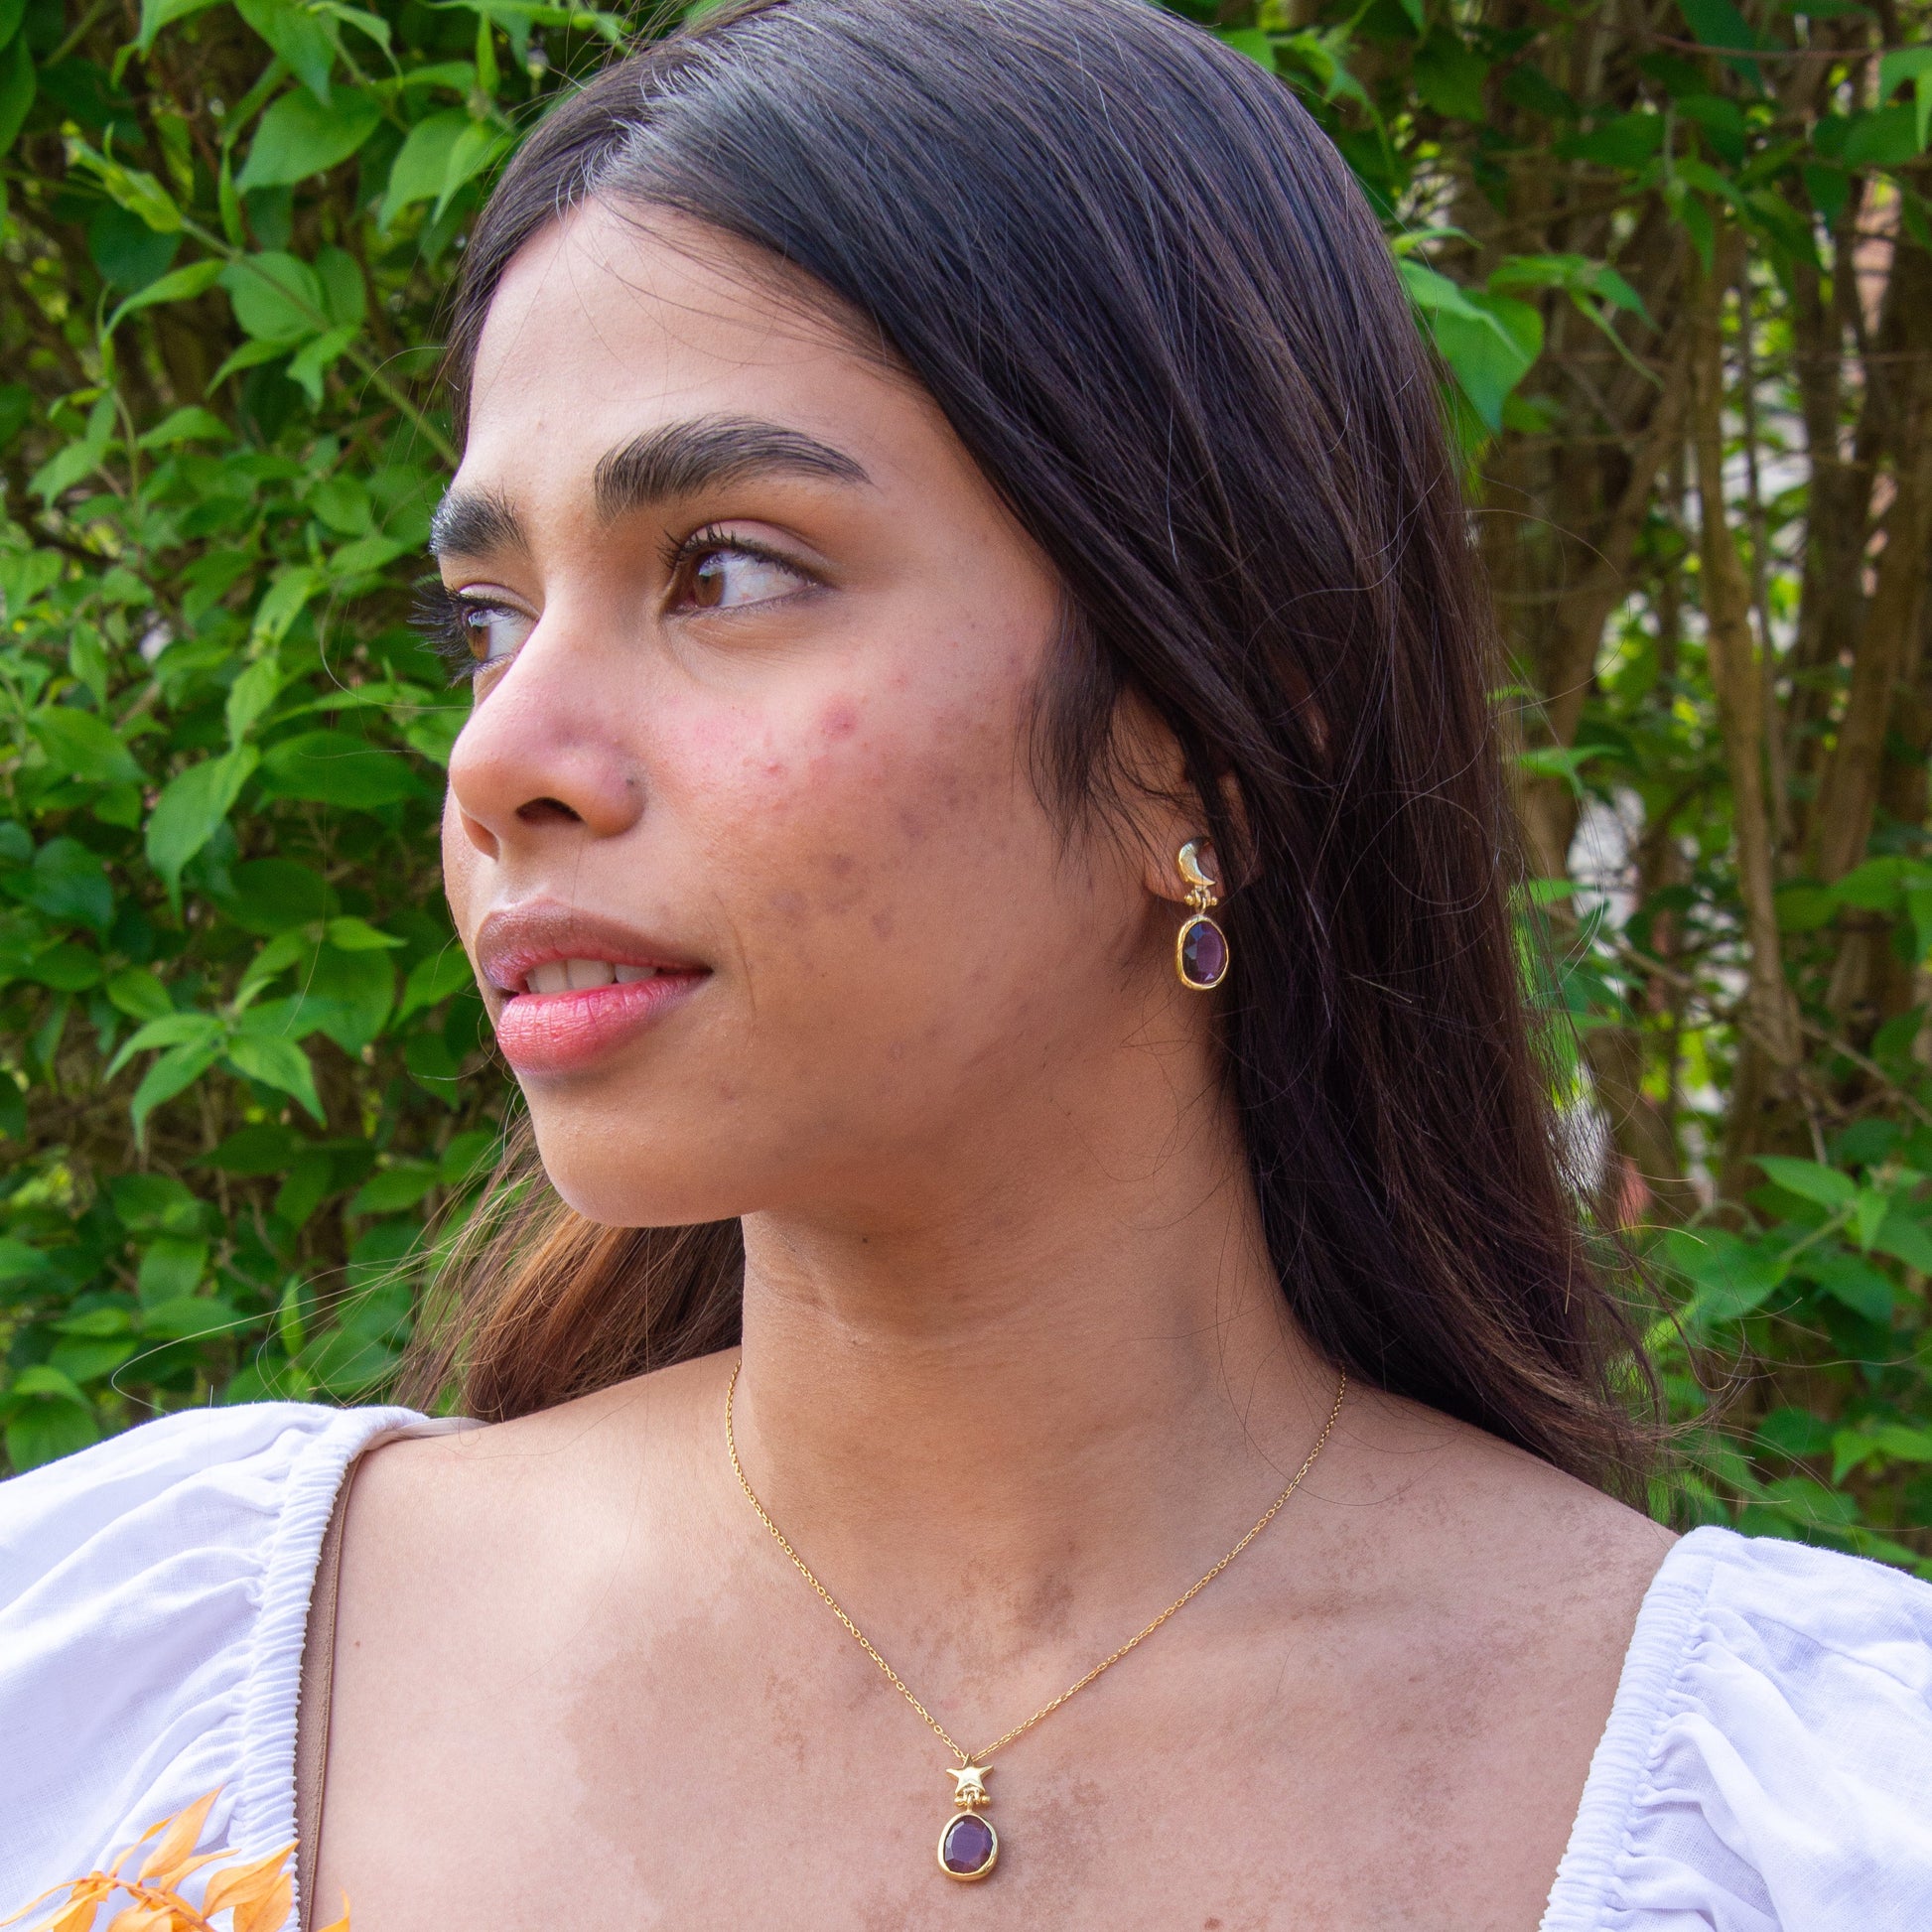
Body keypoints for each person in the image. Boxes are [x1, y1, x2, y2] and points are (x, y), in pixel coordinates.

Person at [5, 0, 1930, 1924]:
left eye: (725, 571)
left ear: (1214, 719)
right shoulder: (126, 1679)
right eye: (488, 617)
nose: (499, 758)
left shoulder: (1804, 1825)